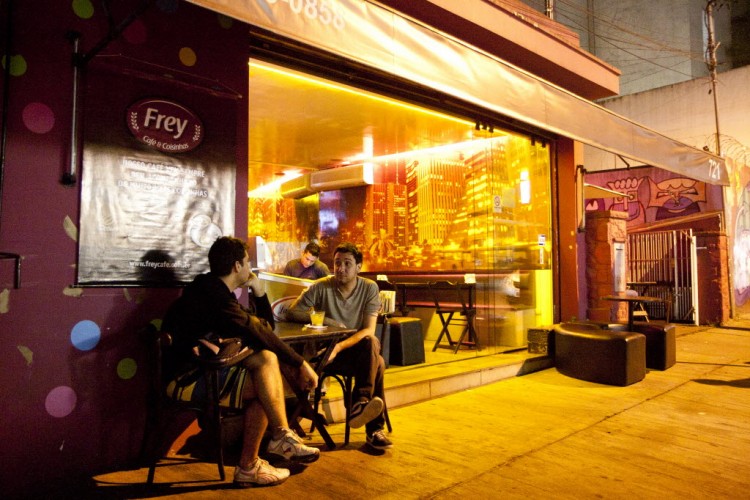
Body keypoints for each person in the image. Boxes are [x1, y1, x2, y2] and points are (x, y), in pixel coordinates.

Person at [162, 236, 320, 487]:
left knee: (265, 368)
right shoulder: (214, 297)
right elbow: (257, 329)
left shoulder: (213, 289)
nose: (250, 268)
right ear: (237, 266)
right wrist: (300, 363)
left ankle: (268, 447)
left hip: (203, 370)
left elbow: (261, 327)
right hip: (185, 379)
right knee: (265, 374)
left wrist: (258, 294)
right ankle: (257, 457)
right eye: (247, 262)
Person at [287, 242, 392, 450]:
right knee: (377, 363)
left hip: (352, 351)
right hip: (325, 353)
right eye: (337, 263)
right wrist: (326, 321)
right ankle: (372, 427)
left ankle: (360, 401)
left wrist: (339, 347)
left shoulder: (369, 288)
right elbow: (292, 312)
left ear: (358, 267)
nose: (341, 268)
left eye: (347, 263)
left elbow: (368, 331)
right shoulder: (322, 286)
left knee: (372, 346)